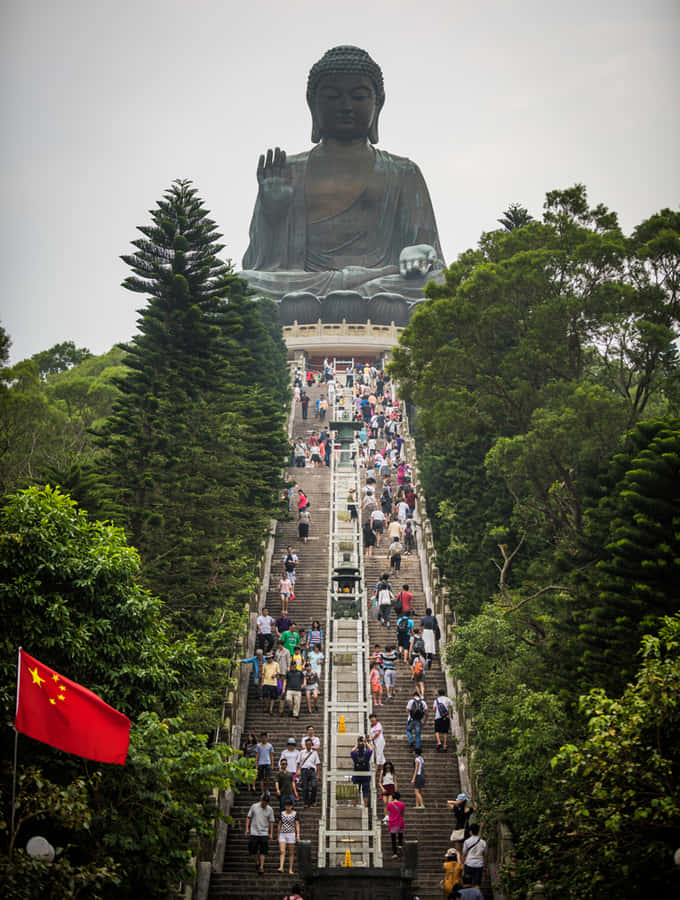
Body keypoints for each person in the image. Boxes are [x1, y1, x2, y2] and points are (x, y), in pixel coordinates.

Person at [245, 791, 275, 875]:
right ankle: (257, 863)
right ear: (261, 800)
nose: (264, 805)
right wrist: (247, 829)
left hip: (264, 833)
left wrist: (271, 833)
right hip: (254, 832)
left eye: (265, 803)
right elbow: (248, 817)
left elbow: (271, 822)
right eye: (263, 802)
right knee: (252, 850)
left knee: (263, 851)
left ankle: (261, 866)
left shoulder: (270, 809)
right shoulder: (254, 806)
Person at [277, 796, 300, 874]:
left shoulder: (295, 814)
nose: (288, 807)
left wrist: (298, 835)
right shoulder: (282, 813)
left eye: (289, 806)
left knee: (291, 852)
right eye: (286, 806)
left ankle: (290, 868)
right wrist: (278, 834)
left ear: (292, 806)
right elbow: (279, 824)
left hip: (291, 833)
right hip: (283, 833)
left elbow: (297, 824)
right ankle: (281, 866)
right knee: (282, 851)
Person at [297, 736, 320, 807]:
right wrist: (298, 770)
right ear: (305, 745)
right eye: (307, 744)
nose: (308, 745)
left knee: (314, 786)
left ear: (312, 745)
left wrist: (318, 774)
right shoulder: (301, 752)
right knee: (305, 787)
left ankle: (313, 801)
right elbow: (298, 762)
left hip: (312, 770)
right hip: (304, 770)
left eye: (310, 744)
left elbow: (317, 764)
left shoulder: (314, 753)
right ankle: (306, 802)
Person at [350, 736, 373, 808]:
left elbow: (352, 751)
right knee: (365, 792)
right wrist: (366, 742)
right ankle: (365, 806)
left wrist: (357, 744)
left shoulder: (355, 754)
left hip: (356, 776)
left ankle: (354, 806)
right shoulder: (366, 754)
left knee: (355, 792)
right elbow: (371, 749)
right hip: (366, 776)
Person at [385, 791, 405, 859]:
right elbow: (402, 813)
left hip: (393, 823)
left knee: (393, 839)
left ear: (393, 797)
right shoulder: (402, 804)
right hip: (400, 822)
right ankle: (400, 845)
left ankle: (395, 853)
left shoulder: (390, 804)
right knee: (400, 836)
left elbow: (388, 812)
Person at [369, 712, 386, 783]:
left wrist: (372, 738)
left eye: (373, 718)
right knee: (381, 755)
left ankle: (376, 769)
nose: (372, 719)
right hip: (376, 742)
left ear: (375, 718)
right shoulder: (372, 726)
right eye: (371, 718)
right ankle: (384, 768)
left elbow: (377, 733)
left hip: (380, 741)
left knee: (379, 754)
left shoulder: (378, 725)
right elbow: (372, 734)